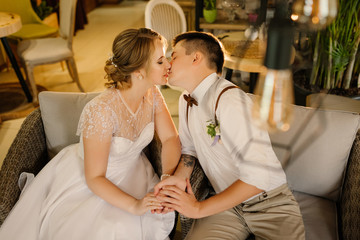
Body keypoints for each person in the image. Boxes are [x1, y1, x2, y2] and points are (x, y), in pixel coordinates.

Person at [0, 28, 181, 240]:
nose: (169, 65)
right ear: (138, 70)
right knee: (113, 229)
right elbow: (95, 178)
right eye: (160, 61)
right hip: (94, 181)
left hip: (136, 172)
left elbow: (170, 138)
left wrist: (167, 178)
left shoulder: (152, 93)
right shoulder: (102, 111)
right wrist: (135, 205)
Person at [154, 31, 305, 239]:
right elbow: (189, 152)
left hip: (271, 204)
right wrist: (176, 184)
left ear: (196, 58)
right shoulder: (186, 99)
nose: (169, 64)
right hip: (225, 205)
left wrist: (198, 208)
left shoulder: (231, 102)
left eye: (174, 56)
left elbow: (259, 177)